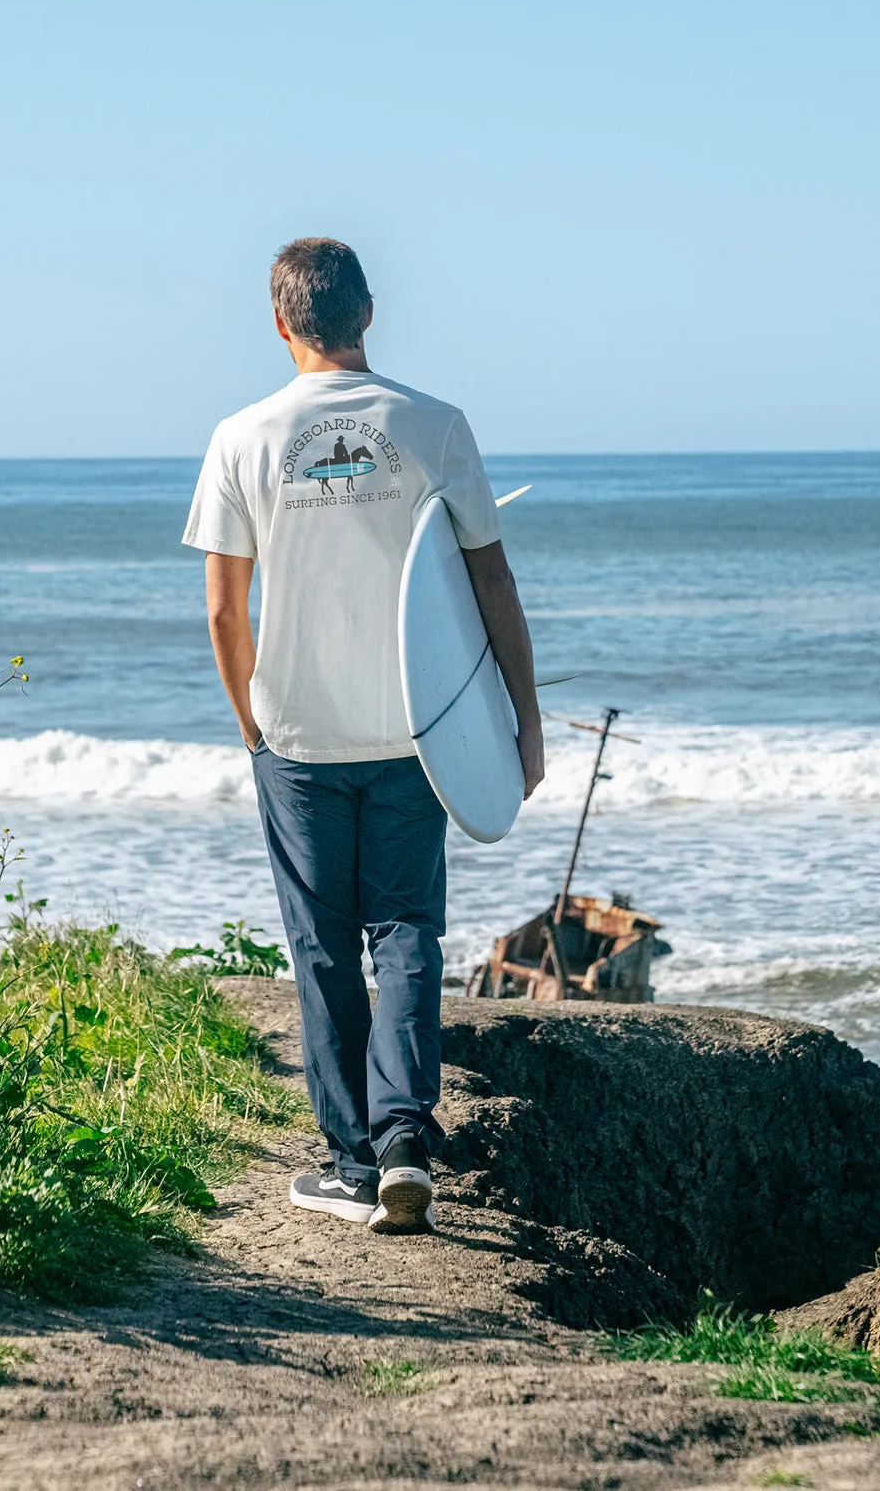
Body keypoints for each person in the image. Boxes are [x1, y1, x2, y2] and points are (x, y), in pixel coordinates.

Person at [183, 237, 543, 1234]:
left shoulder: (241, 437)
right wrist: (520, 719)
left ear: (277, 320)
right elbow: (488, 580)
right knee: (407, 931)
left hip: (297, 734)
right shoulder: (433, 426)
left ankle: (351, 1163)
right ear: (368, 313)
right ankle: (403, 1142)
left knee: (324, 948)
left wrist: (253, 723)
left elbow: (224, 611)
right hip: (412, 730)